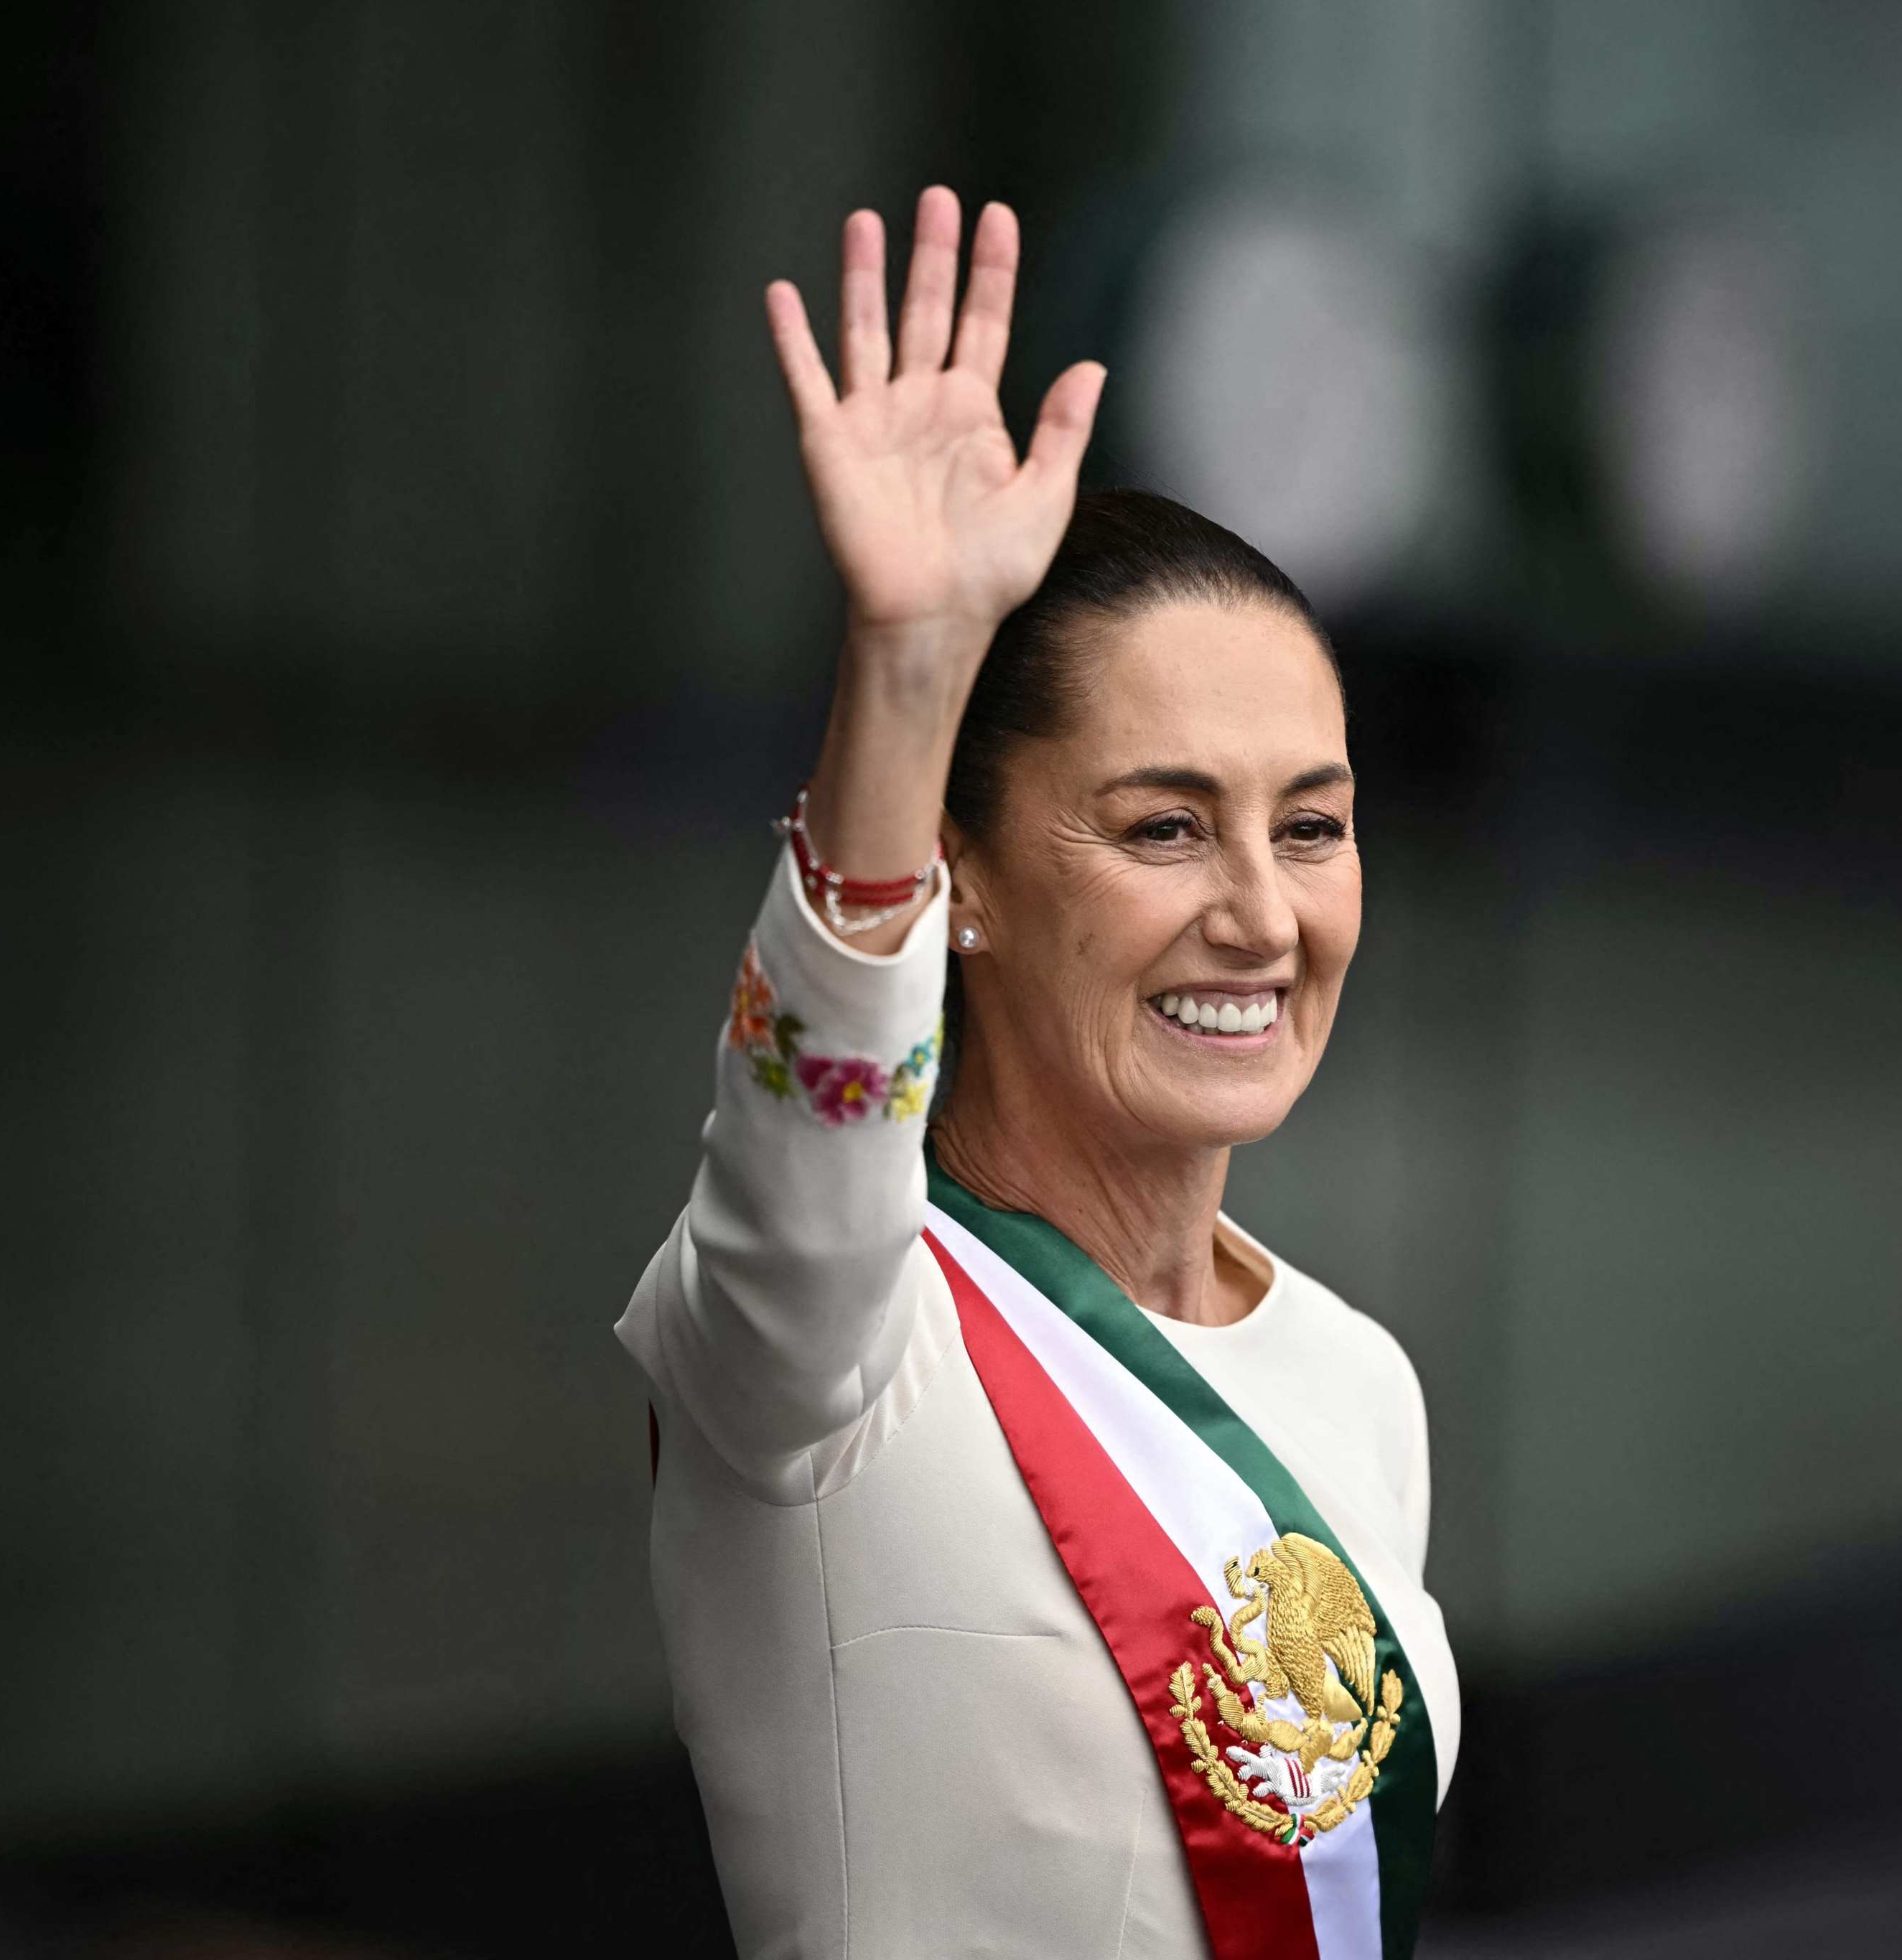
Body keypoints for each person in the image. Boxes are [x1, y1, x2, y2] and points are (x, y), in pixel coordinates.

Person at [614, 186, 1460, 1959]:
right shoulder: (823, 1354)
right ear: (966, 878)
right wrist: (907, 671)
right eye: (1163, 827)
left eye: (1309, 827)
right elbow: (806, 1127)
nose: (1257, 912)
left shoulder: (1357, 1386)